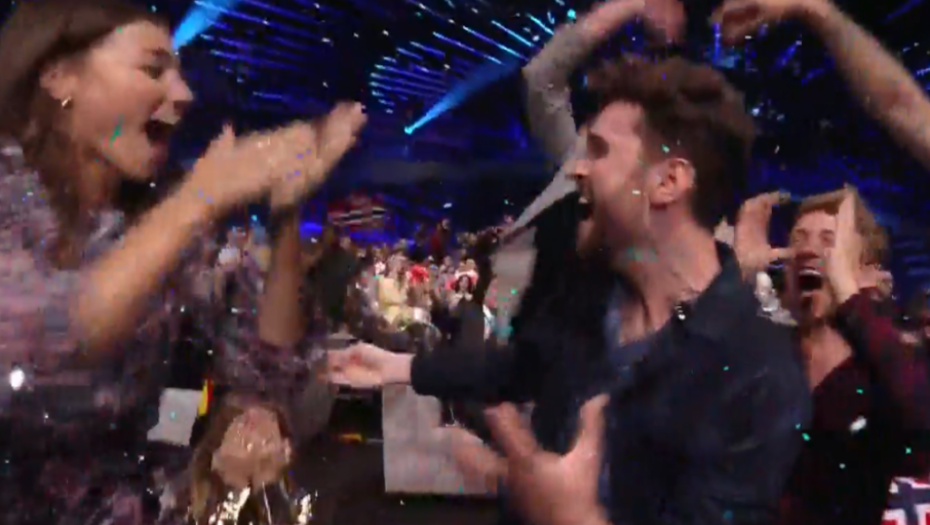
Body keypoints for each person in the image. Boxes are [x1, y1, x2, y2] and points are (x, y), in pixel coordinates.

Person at [329, 5, 811, 525]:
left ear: (668, 182)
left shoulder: (758, 371)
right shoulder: (591, 290)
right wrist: (400, 367)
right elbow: (524, 367)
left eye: (598, 151)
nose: (577, 168)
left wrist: (568, 515)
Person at [0, 1, 365, 523]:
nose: (184, 93)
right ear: (60, 76)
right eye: (153, 70)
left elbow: (264, 363)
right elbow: (42, 342)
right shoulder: (12, 199)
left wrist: (287, 212)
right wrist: (200, 198)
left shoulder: (154, 219)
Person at [735, 189, 930, 525]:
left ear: (867, 272)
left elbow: (921, 422)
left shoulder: (882, 368)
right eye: (798, 239)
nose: (808, 250)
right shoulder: (765, 356)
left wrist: (848, 292)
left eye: (830, 242)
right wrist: (738, 280)